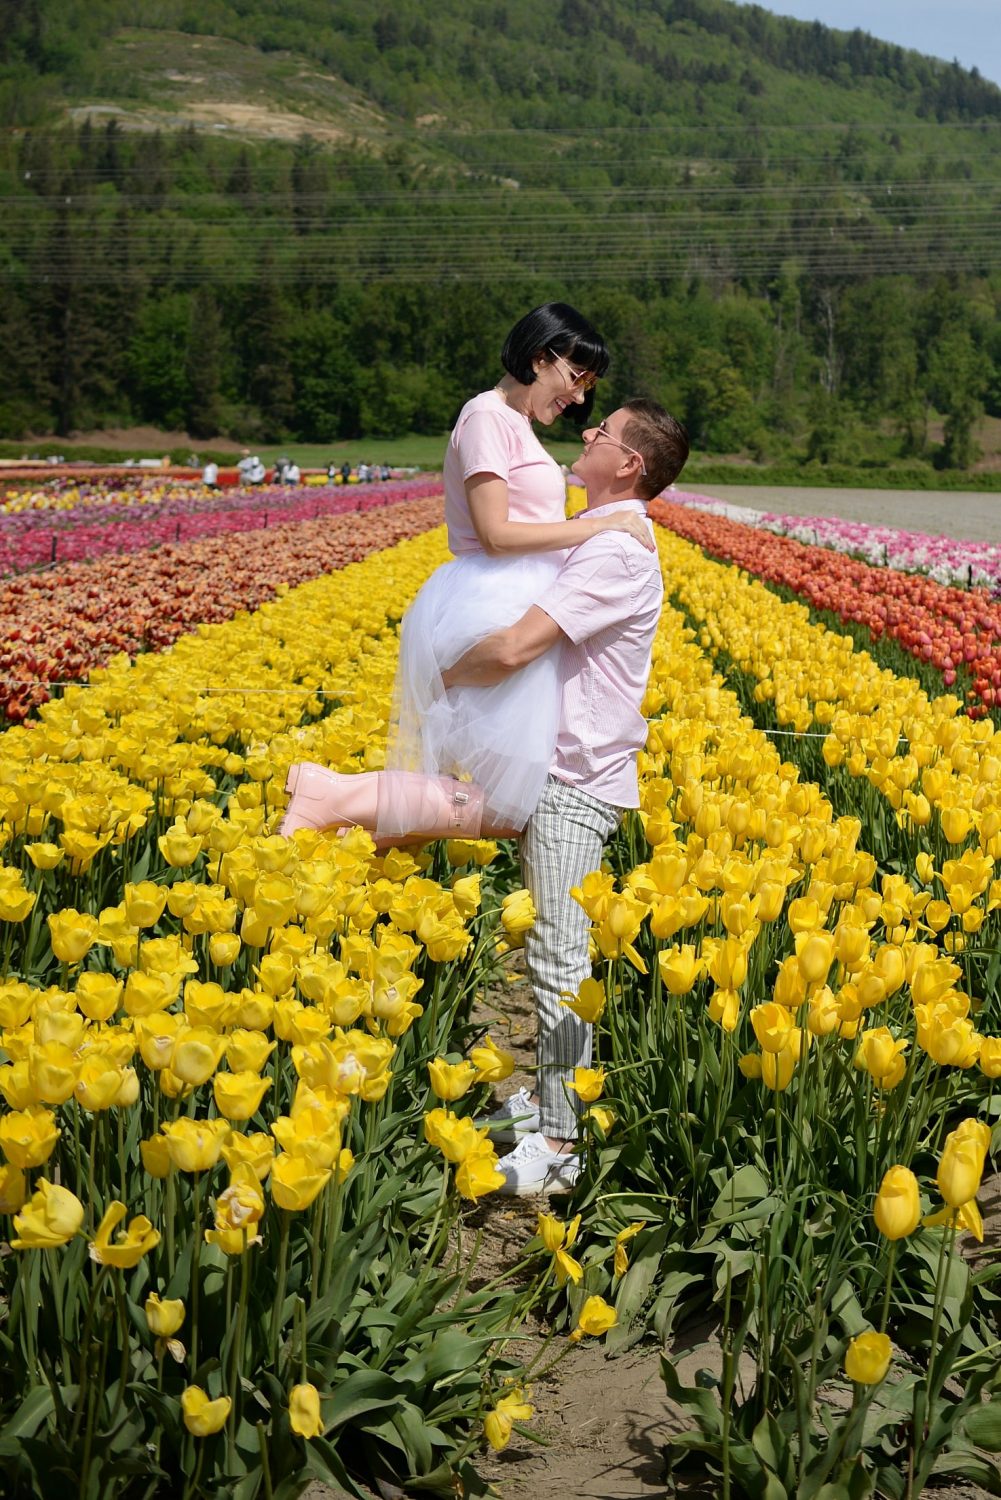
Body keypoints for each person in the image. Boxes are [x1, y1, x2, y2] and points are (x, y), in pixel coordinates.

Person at [279, 303, 653, 844]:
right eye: (575, 378)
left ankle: (343, 822)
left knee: (512, 800)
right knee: (513, 801)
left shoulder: (516, 423)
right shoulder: (486, 417)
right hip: (493, 599)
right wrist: (598, 528)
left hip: (515, 594)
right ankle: (335, 798)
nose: (577, 398)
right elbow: (496, 534)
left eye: (587, 386)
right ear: (538, 357)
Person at [442, 399, 690, 1193]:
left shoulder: (615, 553)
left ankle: (557, 1146)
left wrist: (434, 672)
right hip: (557, 769)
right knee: (552, 953)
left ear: (629, 466)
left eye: (603, 433)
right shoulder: (600, 537)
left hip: (574, 781)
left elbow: (517, 647)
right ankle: (554, 1110)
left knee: (557, 959)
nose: (585, 434)